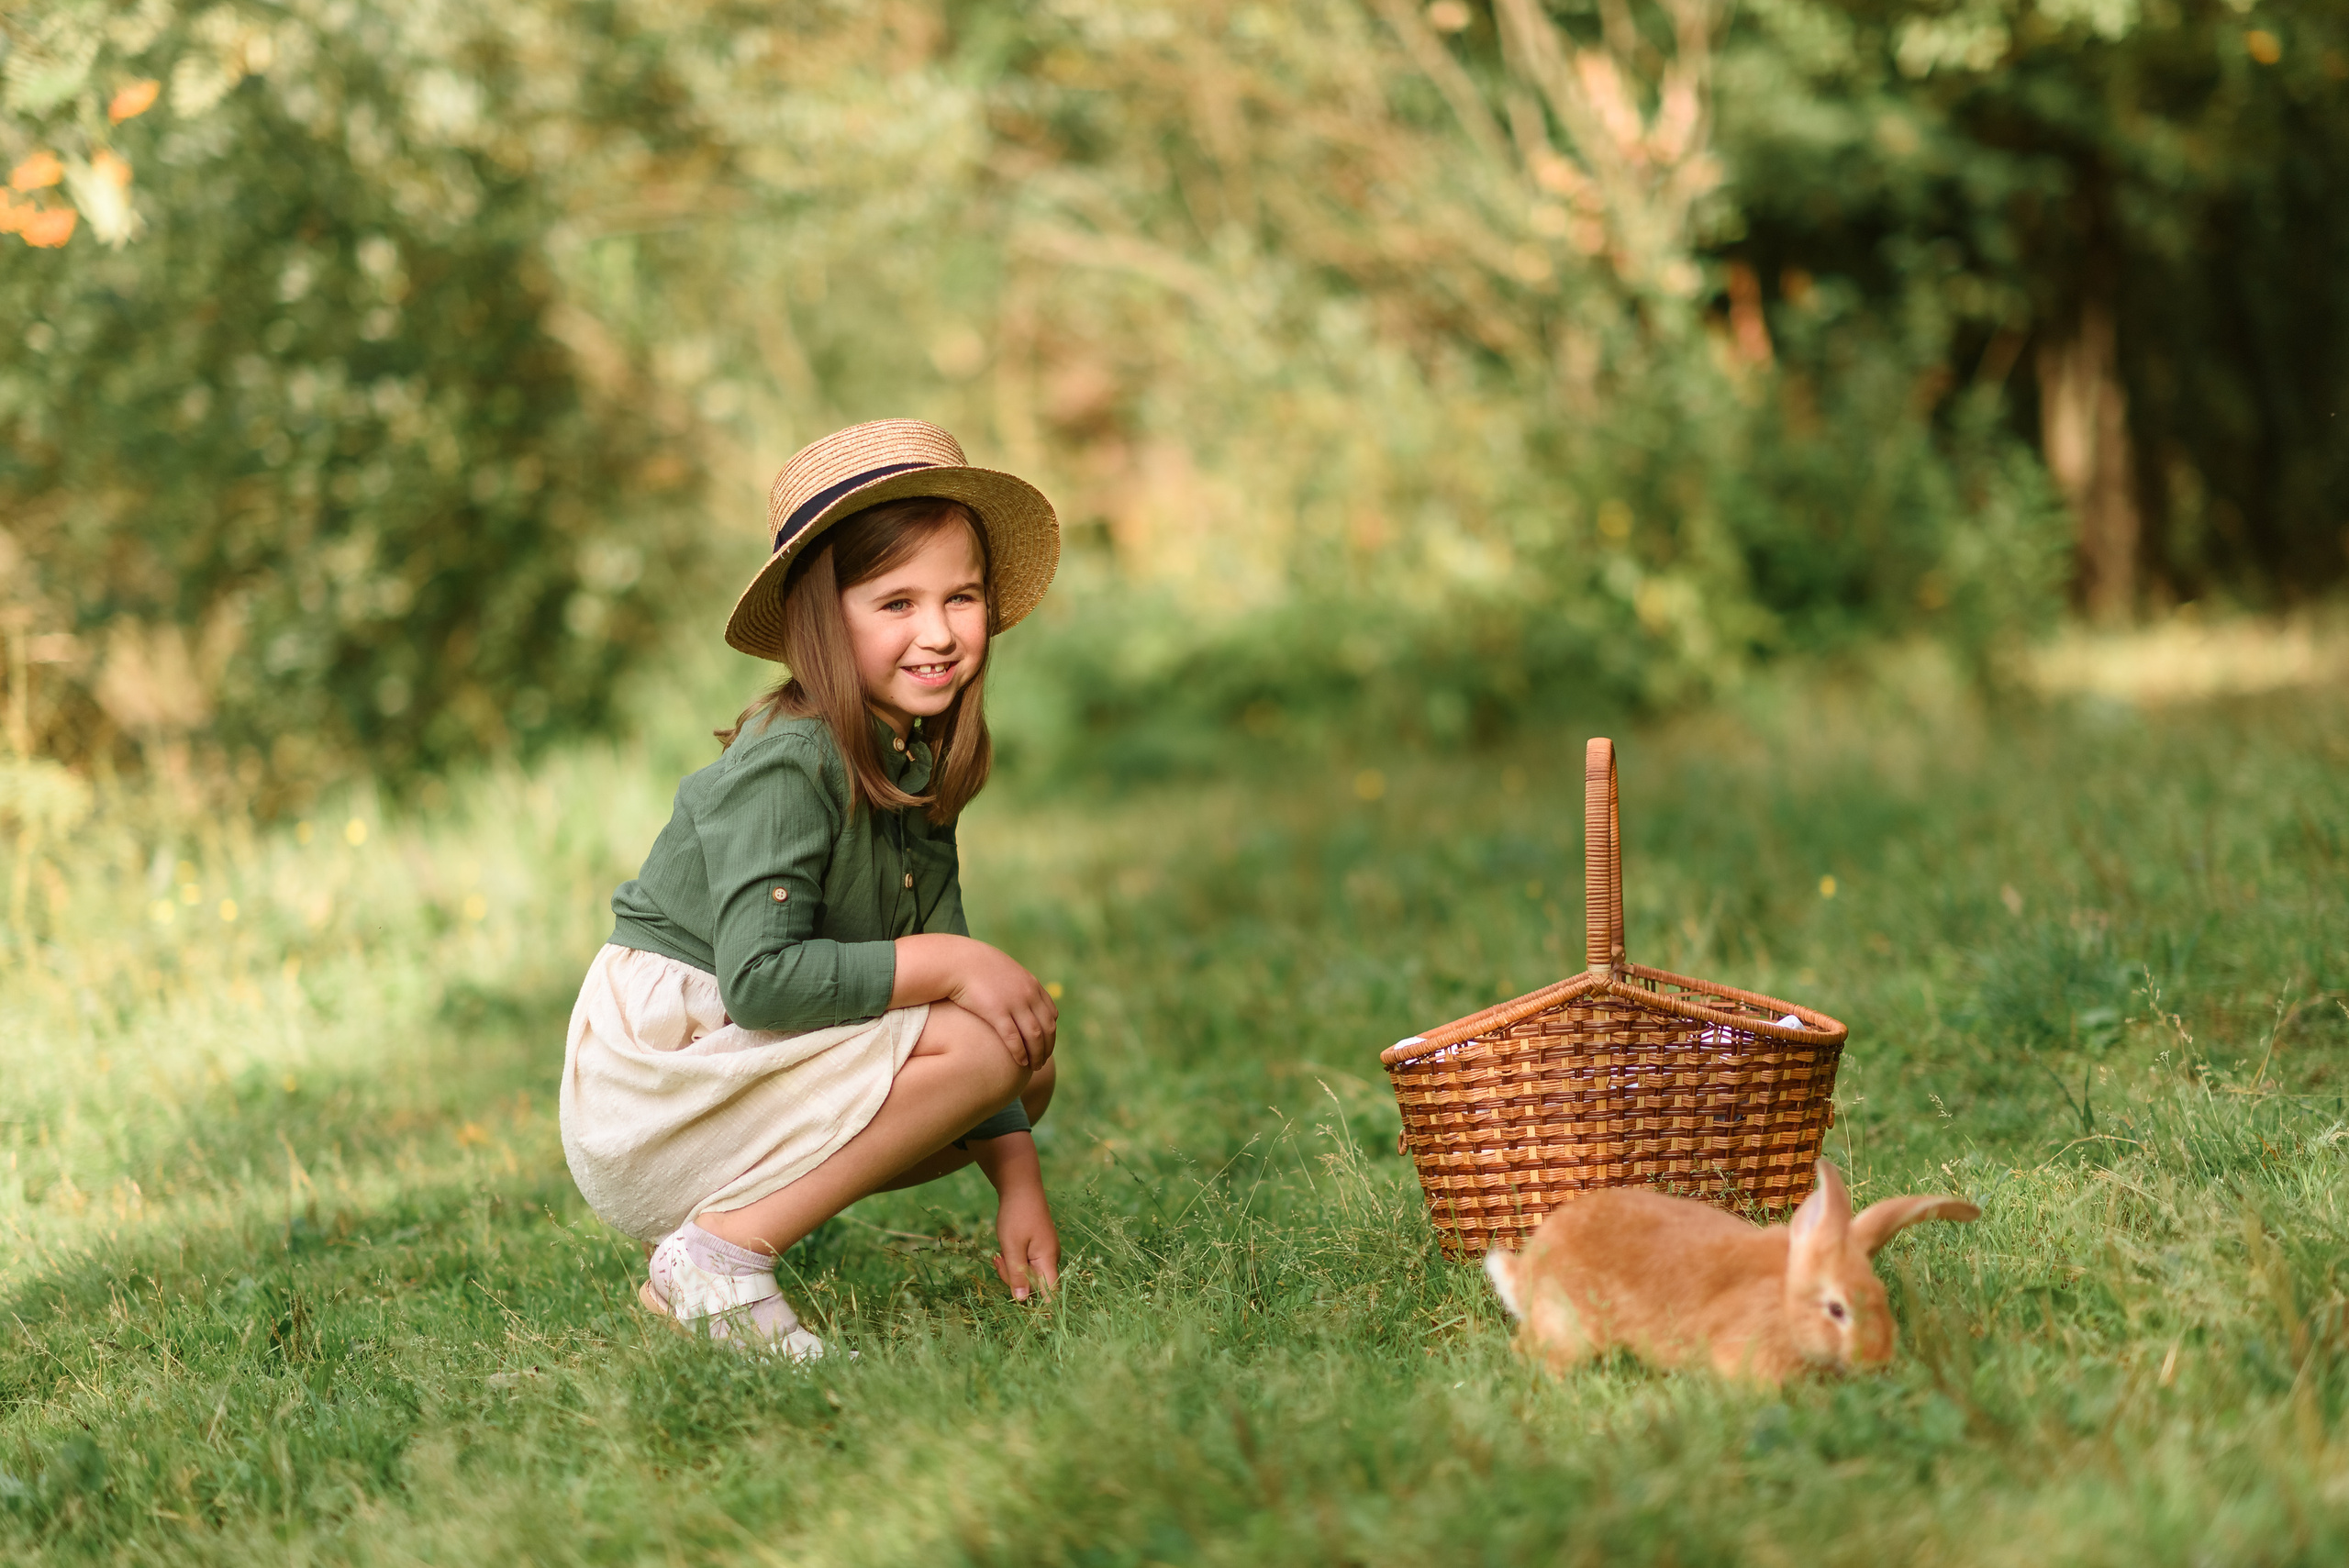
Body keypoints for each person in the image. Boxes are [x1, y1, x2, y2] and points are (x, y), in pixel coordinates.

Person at [560, 418, 1064, 1360]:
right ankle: (715, 1256)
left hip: (729, 1067)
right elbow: (760, 980)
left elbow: (953, 978)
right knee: (978, 1032)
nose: (939, 632)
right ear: (824, 620)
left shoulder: (909, 754)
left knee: (1020, 1055)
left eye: (961, 597)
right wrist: (954, 960)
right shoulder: (791, 761)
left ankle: (725, 1235)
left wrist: (1018, 1182)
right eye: (896, 602)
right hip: (655, 1090)